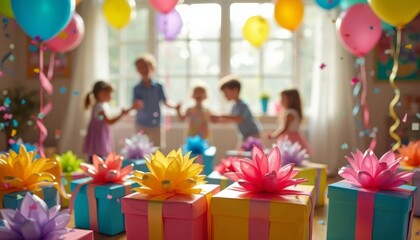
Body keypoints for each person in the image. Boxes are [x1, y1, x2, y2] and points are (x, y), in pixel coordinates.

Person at [132, 53, 177, 147]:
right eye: (140, 67)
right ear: (137, 70)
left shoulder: (158, 87)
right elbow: (134, 105)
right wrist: (136, 105)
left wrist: (176, 106)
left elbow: (165, 101)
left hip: (157, 124)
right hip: (141, 124)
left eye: (146, 66)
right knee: (141, 150)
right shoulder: (136, 88)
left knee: (157, 149)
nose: (143, 69)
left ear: (152, 67)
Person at [83, 81, 130, 163]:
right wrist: (121, 114)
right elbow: (109, 121)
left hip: (100, 137)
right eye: (109, 93)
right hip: (99, 139)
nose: (110, 96)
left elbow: (104, 120)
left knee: (99, 158)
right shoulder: (100, 108)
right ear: (101, 93)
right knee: (99, 160)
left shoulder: (100, 106)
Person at [212, 75, 262, 145]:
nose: (225, 95)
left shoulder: (243, 105)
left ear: (235, 90)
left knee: (251, 152)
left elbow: (239, 119)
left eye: (226, 92)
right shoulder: (234, 106)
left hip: (253, 134)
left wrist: (221, 115)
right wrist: (217, 120)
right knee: (240, 152)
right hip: (244, 135)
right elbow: (229, 119)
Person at [268, 89, 311, 154]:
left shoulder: (290, 113)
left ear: (291, 100)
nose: (280, 101)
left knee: (288, 154)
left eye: (283, 99)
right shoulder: (293, 112)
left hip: (289, 139)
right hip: (292, 136)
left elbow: (284, 128)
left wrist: (273, 136)